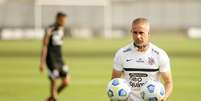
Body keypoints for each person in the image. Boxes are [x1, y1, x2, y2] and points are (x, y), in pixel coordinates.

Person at [111, 18, 173, 101]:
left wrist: (164, 98)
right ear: (131, 32)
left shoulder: (159, 54)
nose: (138, 36)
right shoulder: (122, 53)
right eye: (135, 33)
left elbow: (168, 82)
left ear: (148, 33)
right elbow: (114, 81)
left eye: (141, 33)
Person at [39, 12, 70, 101]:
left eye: (65, 20)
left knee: (66, 82)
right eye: (62, 20)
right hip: (51, 60)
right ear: (57, 19)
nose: (64, 22)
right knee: (54, 82)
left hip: (60, 60)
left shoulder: (62, 29)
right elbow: (44, 46)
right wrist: (42, 62)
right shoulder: (50, 29)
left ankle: (50, 98)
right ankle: (53, 96)